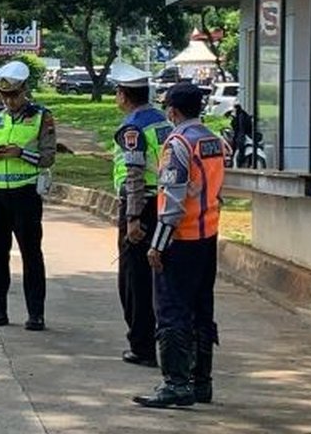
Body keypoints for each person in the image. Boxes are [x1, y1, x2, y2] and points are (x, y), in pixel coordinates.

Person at [133, 82, 224, 409]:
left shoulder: (178, 143)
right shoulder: (212, 140)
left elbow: (172, 197)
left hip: (181, 240)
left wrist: (157, 244)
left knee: (172, 310)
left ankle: (175, 383)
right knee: (201, 307)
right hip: (207, 236)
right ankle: (201, 381)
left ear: (172, 110)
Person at [0, 60, 56, 330]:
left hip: (25, 194)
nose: (10, 101)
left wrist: (21, 153)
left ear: (25, 91)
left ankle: (36, 313)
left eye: (14, 95)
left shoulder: (41, 116)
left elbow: (47, 157)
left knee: (31, 253)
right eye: (5, 96)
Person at [109, 63, 173, 368]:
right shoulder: (162, 121)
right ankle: (161, 341)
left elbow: (133, 174)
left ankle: (142, 345)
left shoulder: (132, 127)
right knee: (157, 276)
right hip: (164, 202)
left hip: (141, 204)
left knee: (133, 279)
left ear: (123, 95)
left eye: (116, 93)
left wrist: (132, 218)